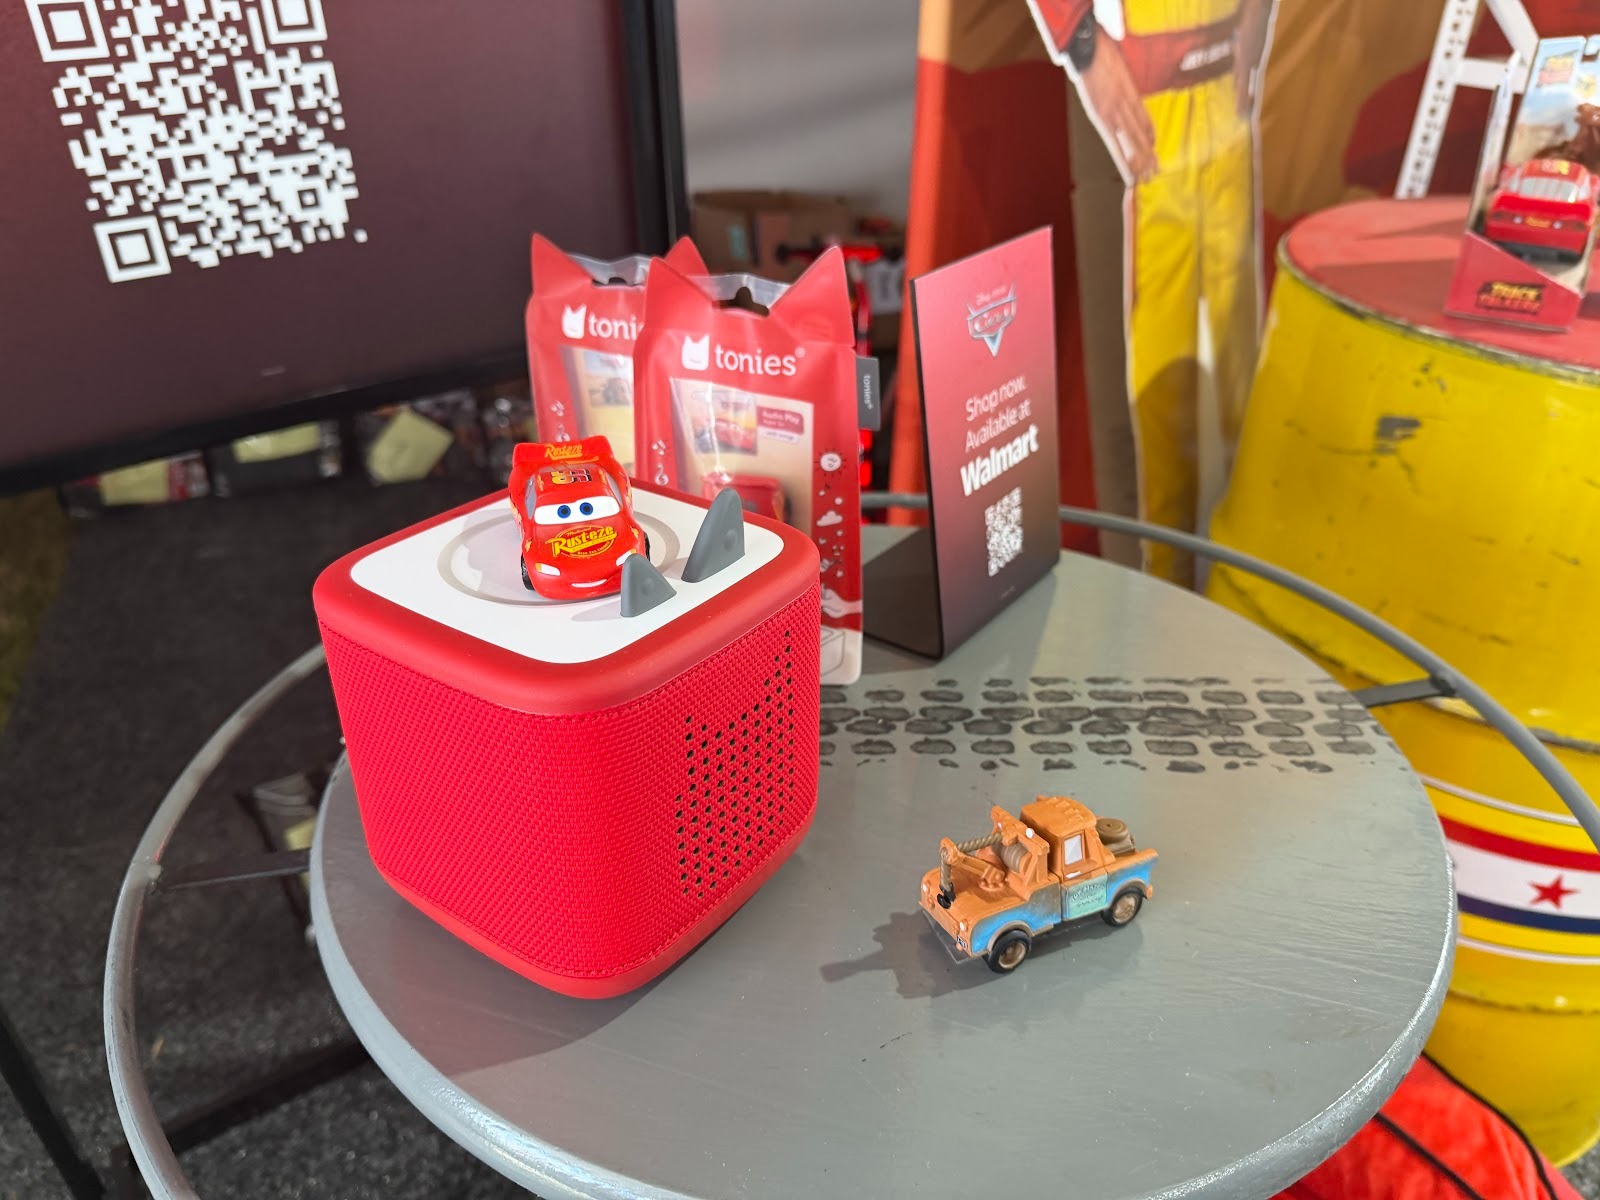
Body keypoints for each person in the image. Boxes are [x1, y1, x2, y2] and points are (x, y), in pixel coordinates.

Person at [1032, 0, 1274, 586]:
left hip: (1224, 89)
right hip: (1145, 102)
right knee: (1160, 381)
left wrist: (1259, 9)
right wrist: (1084, 44)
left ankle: (1244, 581)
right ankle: (1166, 586)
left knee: (1239, 370)